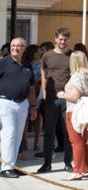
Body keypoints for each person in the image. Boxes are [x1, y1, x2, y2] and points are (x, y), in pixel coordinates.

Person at [37, 28, 73, 174]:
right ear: (55, 39)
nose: (62, 42)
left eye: (65, 39)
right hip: (51, 99)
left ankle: (68, 162)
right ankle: (47, 163)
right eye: (60, 39)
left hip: (69, 99)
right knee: (49, 132)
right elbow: (43, 74)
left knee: (68, 132)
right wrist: (44, 93)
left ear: (68, 40)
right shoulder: (47, 56)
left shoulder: (73, 56)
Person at [0, 38, 37, 178]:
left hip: (23, 104)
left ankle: (12, 165)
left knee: (17, 136)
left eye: (18, 46)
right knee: (8, 134)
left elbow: (32, 87)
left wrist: (33, 107)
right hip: (5, 103)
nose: (15, 48)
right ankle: (5, 168)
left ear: (24, 49)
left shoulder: (27, 65)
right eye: (13, 46)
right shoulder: (3, 63)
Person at [63, 51, 88, 181]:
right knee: (84, 142)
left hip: (75, 111)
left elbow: (74, 96)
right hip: (87, 111)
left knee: (76, 141)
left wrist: (62, 94)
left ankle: (78, 170)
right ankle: (85, 169)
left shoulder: (76, 76)